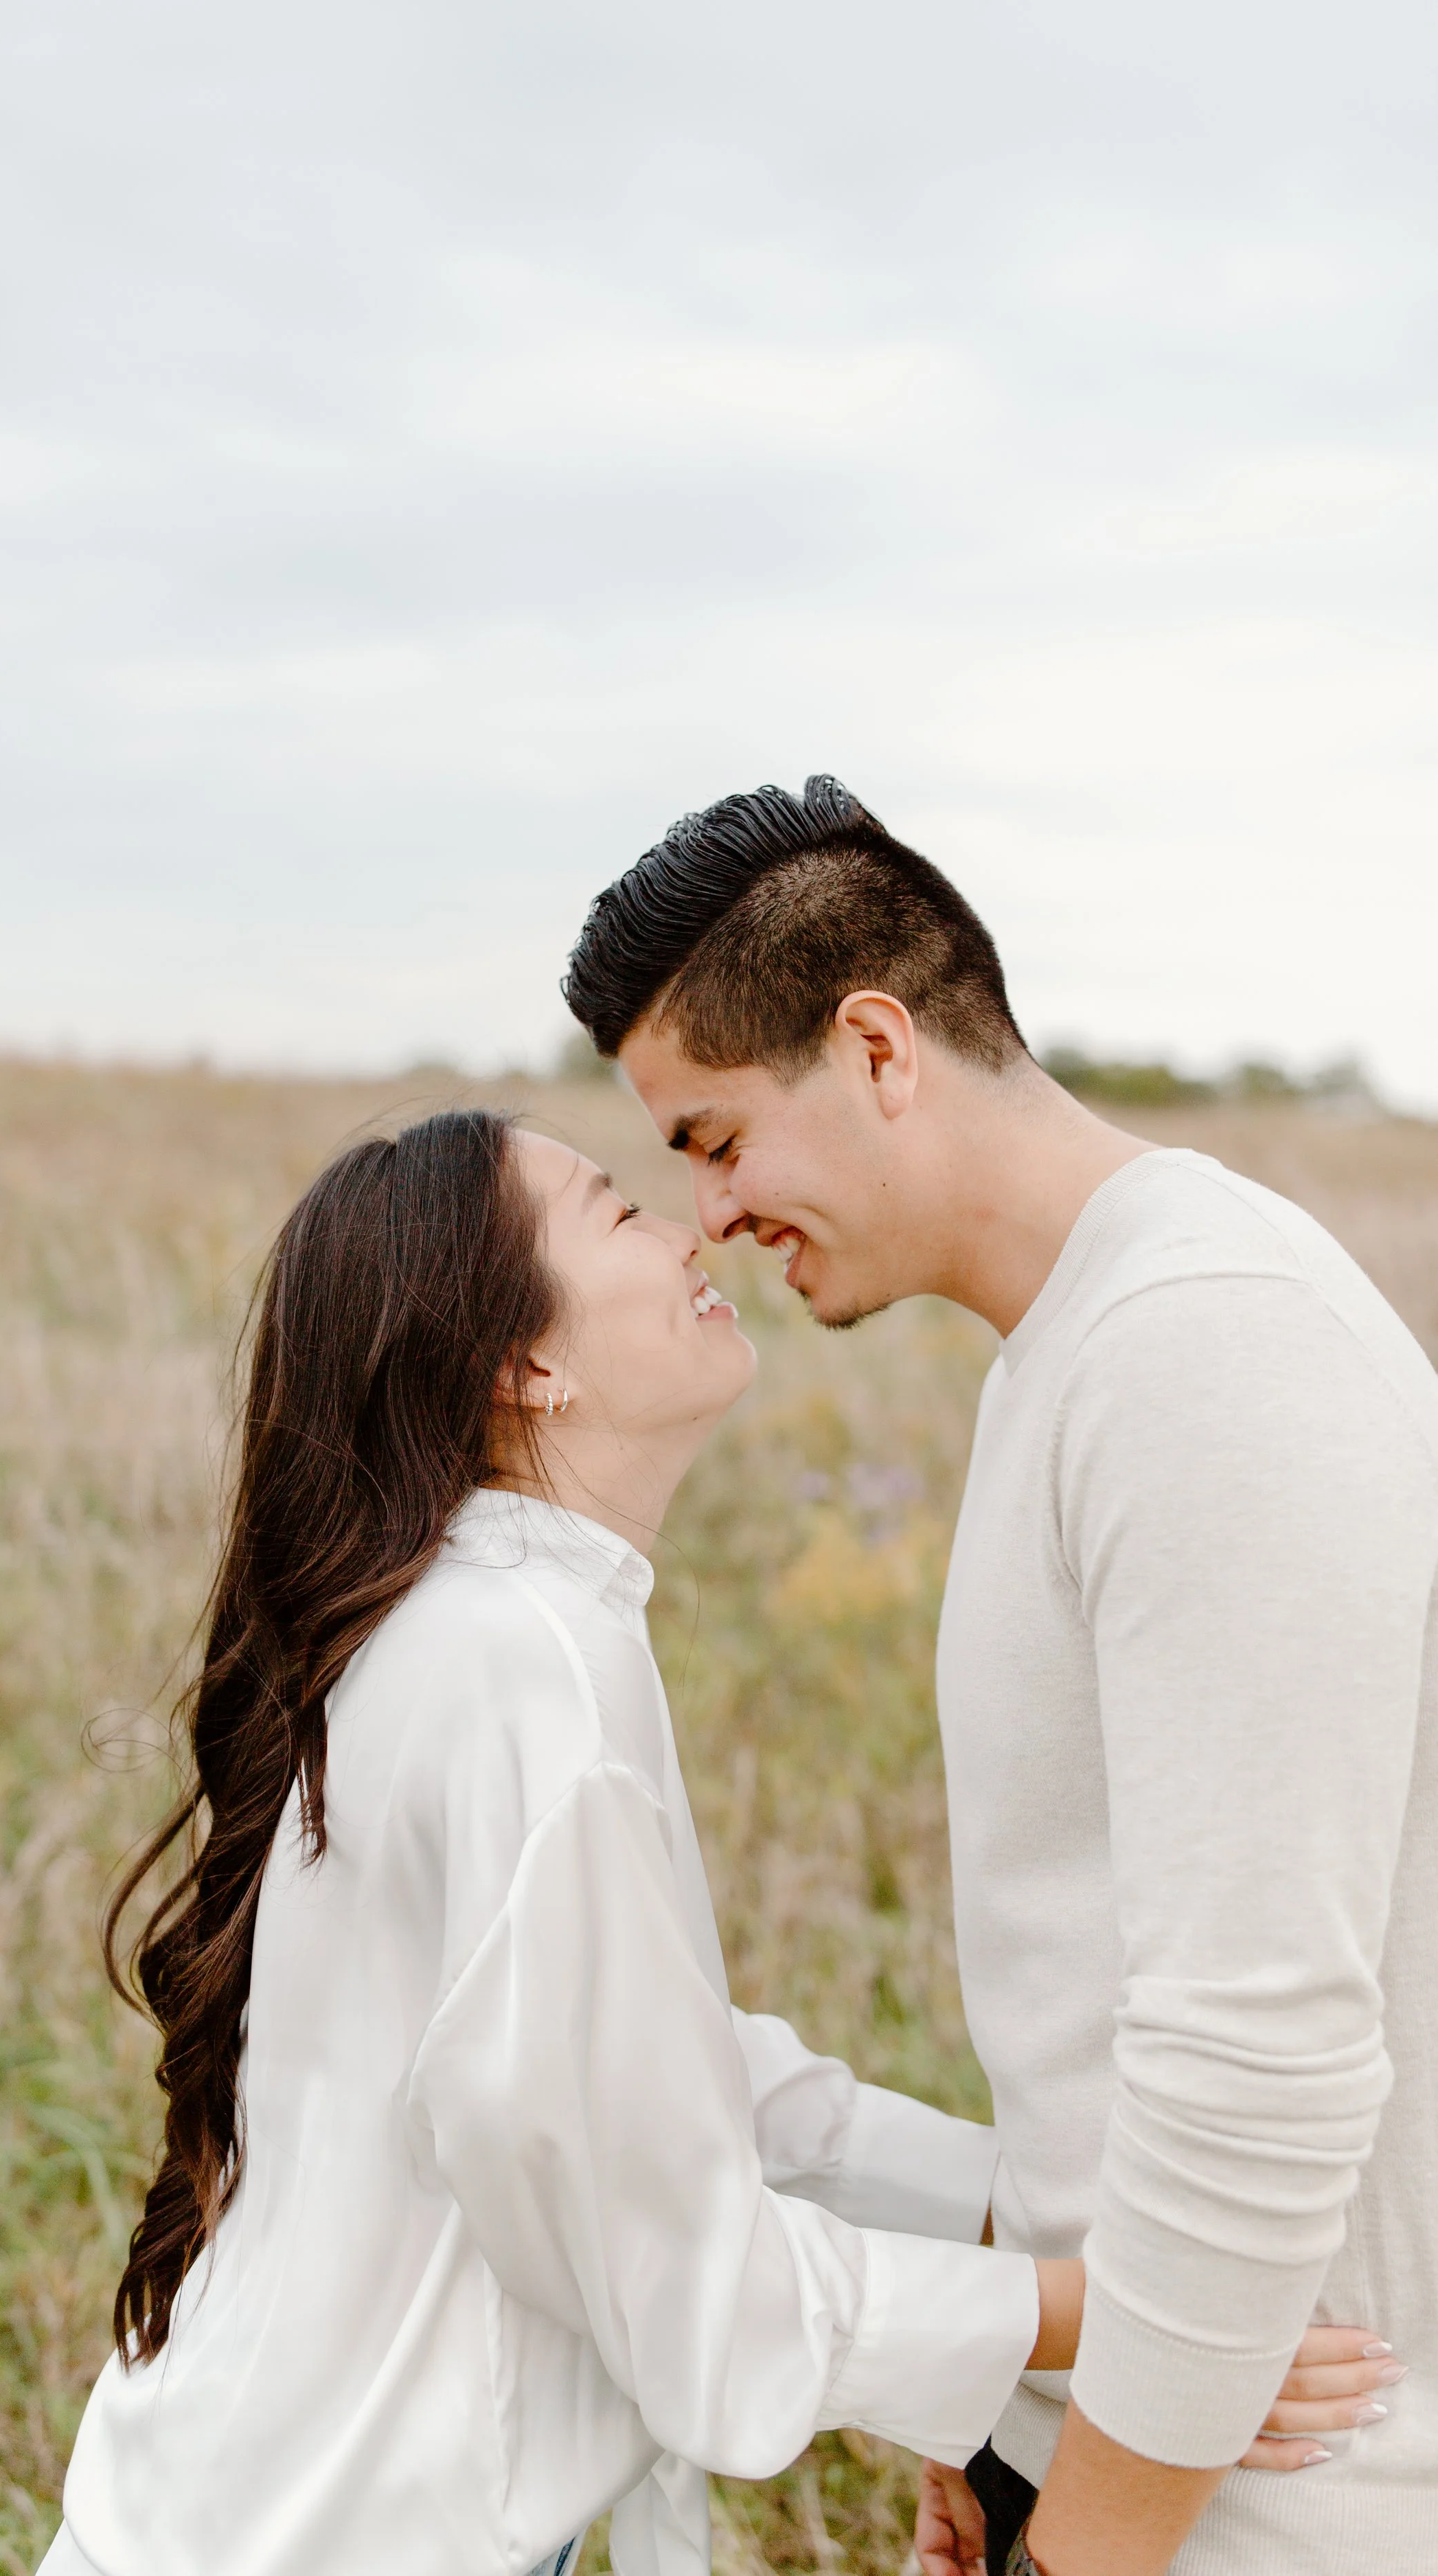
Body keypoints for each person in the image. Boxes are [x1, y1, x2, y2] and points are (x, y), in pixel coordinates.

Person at [40, 1110, 1361, 2576]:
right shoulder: (515, 1659)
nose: (693, 1230)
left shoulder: (491, 1622)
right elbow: (680, 2276)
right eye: (615, 1213)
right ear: (521, 1363)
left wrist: (1011, 2206)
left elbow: (659, 2072)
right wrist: (1119, 2326)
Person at [562, 778, 1436, 2576]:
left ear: (874, 1044)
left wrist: (1084, 2549)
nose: (709, 1214)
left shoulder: (1202, 1347)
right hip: (1144, 2455)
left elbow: (1256, 2046)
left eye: (716, 1139)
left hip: (1272, 2502)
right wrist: (1006, 2425)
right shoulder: (1071, 1351)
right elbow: (1091, 1999)